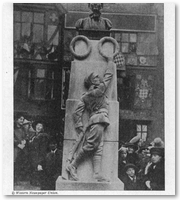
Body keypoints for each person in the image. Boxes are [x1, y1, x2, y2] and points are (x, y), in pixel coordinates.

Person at [66, 57, 114, 182]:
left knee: (98, 147)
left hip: (96, 121)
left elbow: (77, 112)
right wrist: (109, 61)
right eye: (97, 77)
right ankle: (73, 166)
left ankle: (97, 173)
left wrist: (79, 124)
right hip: (98, 120)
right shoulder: (98, 91)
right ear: (93, 82)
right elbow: (109, 75)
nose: (100, 79)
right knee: (91, 145)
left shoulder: (85, 96)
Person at [28, 121, 49, 186]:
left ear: (43, 128)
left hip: (38, 157)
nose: (38, 127)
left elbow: (43, 150)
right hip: (33, 157)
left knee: (38, 171)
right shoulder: (33, 135)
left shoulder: (43, 136)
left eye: (40, 126)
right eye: (37, 125)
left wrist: (40, 162)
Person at [14, 113, 29, 183]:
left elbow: (26, 136)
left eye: (23, 119)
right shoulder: (12, 128)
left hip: (22, 148)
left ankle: (17, 179)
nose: (22, 121)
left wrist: (25, 140)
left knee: (19, 163)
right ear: (16, 119)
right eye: (20, 119)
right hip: (15, 148)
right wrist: (17, 144)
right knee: (14, 162)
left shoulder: (23, 128)